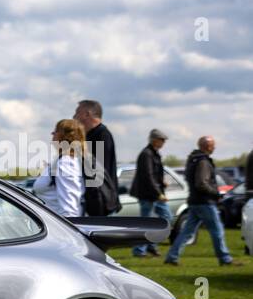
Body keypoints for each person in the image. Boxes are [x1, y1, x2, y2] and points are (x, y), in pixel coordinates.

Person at [165, 136, 241, 266]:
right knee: (217, 231)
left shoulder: (193, 159)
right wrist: (216, 193)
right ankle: (225, 259)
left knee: (187, 232)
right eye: (213, 145)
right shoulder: (203, 162)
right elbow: (201, 183)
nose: (215, 147)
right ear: (207, 146)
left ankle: (172, 257)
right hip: (205, 202)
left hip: (195, 201)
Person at [129, 129, 172, 257]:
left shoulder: (154, 153)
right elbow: (148, 176)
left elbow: (154, 174)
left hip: (155, 193)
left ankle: (151, 246)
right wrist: (159, 193)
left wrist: (162, 182)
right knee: (146, 223)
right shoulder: (146, 154)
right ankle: (139, 250)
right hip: (148, 195)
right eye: (162, 140)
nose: (163, 142)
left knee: (165, 219)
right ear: (154, 140)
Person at [31, 120, 86, 217]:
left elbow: (70, 210)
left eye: (56, 131)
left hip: (61, 227)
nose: (52, 133)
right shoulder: (66, 159)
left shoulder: (66, 162)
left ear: (63, 136)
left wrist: (67, 231)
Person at [73, 100, 119, 216]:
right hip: (95, 203)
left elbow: (97, 175)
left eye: (77, 112)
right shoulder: (90, 135)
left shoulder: (101, 135)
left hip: (102, 205)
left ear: (87, 114)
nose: (74, 116)